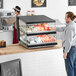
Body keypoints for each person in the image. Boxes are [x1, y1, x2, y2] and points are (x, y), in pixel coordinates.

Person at [56, 12, 76, 76]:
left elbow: (68, 41)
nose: (64, 18)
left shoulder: (70, 27)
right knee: (74, 67)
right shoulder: (72, 24)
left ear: (69, 18)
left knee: (69, 68)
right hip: (74, 49)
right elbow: (62, 28)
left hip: (70, 49)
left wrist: (65, 52)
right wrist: (51, 27)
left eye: (65, 17)